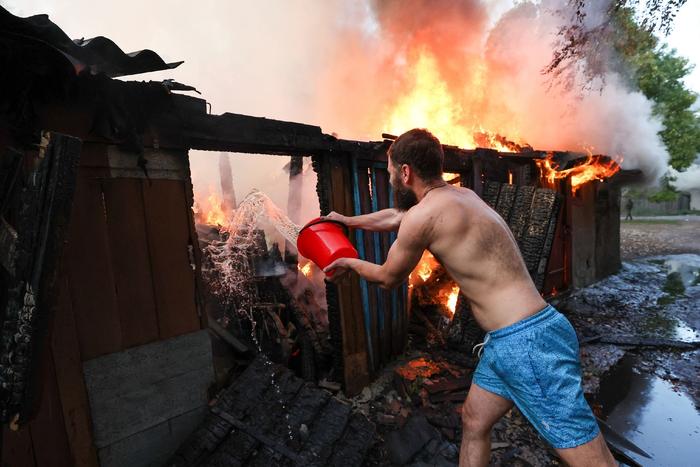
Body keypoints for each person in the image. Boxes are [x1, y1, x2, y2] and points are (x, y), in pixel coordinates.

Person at [323, 129, 616, 467]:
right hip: (509, 341)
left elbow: (388, 278)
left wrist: (347, 262)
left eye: (390, 171)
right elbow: (396, 218)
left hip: (527, 345)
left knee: (591, 458)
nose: (390, 178)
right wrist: (346, 221)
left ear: (405, 172)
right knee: (474, 421)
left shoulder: (425, 216)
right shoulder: (461, 198)